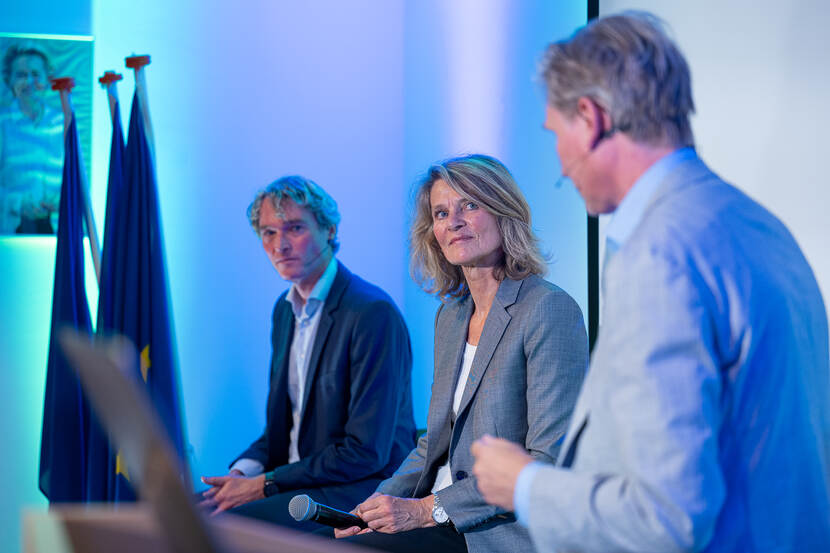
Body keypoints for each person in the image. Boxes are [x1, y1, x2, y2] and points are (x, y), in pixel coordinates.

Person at [471, 11, 830, 553]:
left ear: (589, 119)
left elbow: (665, 519)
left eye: (555, 134)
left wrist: (523, 484)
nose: (560, 168)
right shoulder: (759, 225)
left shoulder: (658, 256)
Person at [336, 154, 588, 553]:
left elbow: (547, 461)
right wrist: (371, 508)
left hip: (496, 532)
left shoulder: (548, 309)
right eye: (440, 212)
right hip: (429, 516)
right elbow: (432, 444)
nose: (453, 221)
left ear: (504, 212)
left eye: (470, 205)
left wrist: (426, 510)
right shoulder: (451, 317)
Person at [199, 175, 417, 529]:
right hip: (299, 483)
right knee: (184, 513)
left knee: (220, 528)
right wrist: (243, 473)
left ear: (329, 229)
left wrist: (266, 484)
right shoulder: (284, 311)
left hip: (357, 490)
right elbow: (281, 431)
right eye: (268, 233)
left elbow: (365, 452)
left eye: (294, 228)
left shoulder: (372, 313)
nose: (279, 245)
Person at [0, 44, 63, 234]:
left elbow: (78, 179)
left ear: (48, 79)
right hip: (10, 232)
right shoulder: (2, 124)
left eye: (36, 74)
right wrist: (18, 203)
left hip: (57, 232)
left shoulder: (63, 123)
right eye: (20, 75)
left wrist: (61, 199)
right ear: (8, 80)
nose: (29, 81)